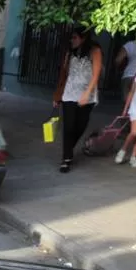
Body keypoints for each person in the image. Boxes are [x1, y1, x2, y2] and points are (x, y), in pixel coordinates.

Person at [53, 26, 103, 173]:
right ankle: (66, 158)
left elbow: (96, 75)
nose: (72, 40)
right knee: (68, 126)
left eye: (75, 37)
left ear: (84, 38)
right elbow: (63, 74)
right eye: (72, 37)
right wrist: (57, 95)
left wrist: (87, 93)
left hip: (87, 95)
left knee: (80, 125)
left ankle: (69, 149)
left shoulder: (95, 51)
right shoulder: (70, 53)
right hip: (69, 93)